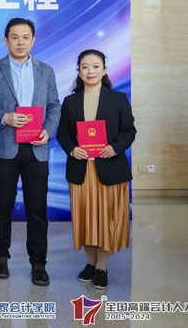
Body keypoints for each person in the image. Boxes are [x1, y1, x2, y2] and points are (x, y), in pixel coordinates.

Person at [0, 17, 61, 286]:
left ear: (33, 40)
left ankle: (38, 263)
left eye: (25, 37)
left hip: (37, 149)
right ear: (6, 40)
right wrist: (4, 117)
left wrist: (48, 131)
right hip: (5, 149)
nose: (20, 42)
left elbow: (54, 106)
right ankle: (0, 257)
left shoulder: (45, 71)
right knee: (2, 207)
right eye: (14, 37)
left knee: (37, 209)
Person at [57, 49, 135, 289]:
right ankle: (89, 263)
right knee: (86, 219)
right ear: (79, 72)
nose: (90, 71)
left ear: (104, 70)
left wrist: (115, 147)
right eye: (85, 67)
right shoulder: (70, 101)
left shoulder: (118, 99)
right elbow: (63, 133)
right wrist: (72, 149)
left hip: (109, 168)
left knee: (107, 220)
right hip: (82, 170)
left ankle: (102, 266)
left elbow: (129, 130)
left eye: (95, 66)